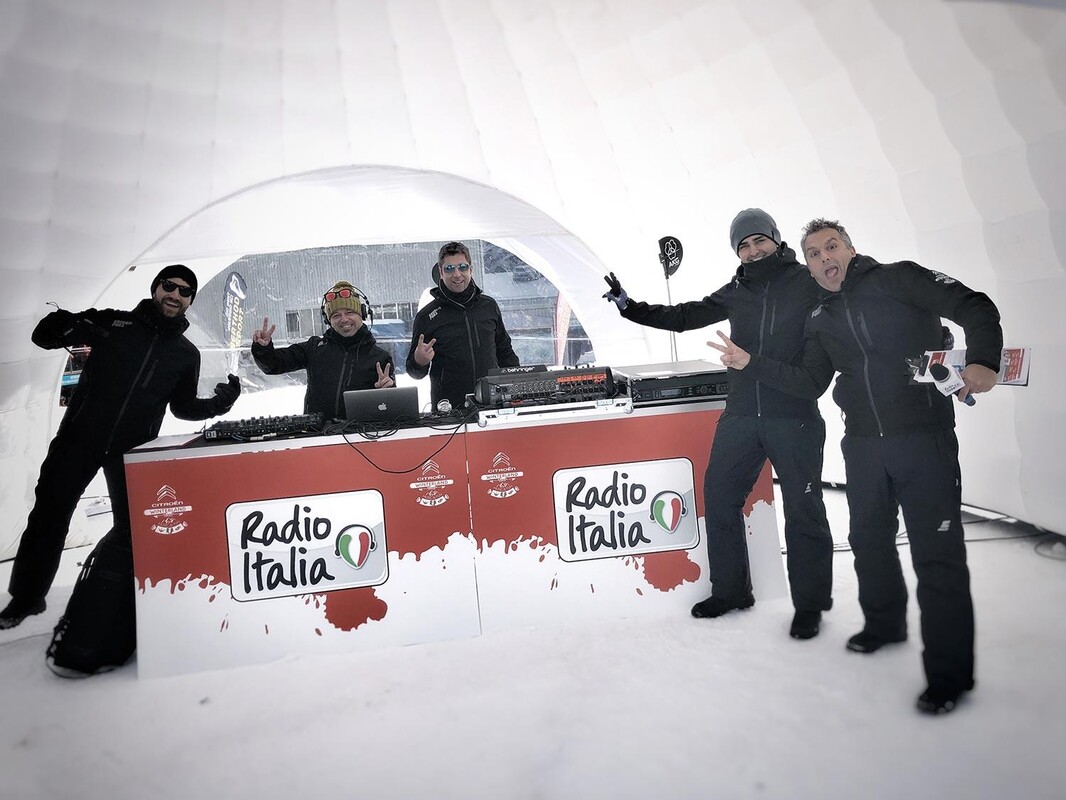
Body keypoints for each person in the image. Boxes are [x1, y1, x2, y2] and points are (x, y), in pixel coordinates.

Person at [710, 217, 1002, 714]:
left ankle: (950, 677)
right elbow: (808, 383)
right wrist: (749, 363)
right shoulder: (820, 316)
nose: (825, 258)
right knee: (868, 541)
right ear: (807, 266)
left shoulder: (898, 277)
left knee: (937, 556)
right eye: (814, 254)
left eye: (832, 247)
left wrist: (983, 360)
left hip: (924, 441)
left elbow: (974, 305)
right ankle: (885, 625)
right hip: (863, 446)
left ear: (849, 247)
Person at [602, 209, 834, 639]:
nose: (753, 250)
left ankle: (810, 606)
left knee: (804, 511)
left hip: (794, 417)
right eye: (743, 245)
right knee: (720, 498)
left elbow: (838, 329)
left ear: (776, 239)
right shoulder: (737, 290)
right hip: (742, 415)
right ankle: (731, 592)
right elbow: (683, 316)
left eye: (759, 240)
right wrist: (628, 307)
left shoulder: (807, 283)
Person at [0, 265, 240, 671]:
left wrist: (221, 402)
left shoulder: (186, 354)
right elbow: (44, 338)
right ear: (156, 288)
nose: (175, 294)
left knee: (134, 530)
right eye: (169, 286)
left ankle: (126, 603)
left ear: (189, 301)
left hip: (131, 451)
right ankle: (26, 598)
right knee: (49, 516)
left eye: (185, 291)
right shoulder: (113, 323)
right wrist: (59, 325)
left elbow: (183, 408)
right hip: (79, 440)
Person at [251, 281, 395, 419]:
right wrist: (263, 349)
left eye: (349, 312)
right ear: (328, 320)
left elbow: (390, 408)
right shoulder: (314, 348)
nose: (344, 319)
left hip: (361, 433)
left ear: (362, 314)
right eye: (336, 315)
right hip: (317, 433)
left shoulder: (380, 358)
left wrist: (387, 391)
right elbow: (273, 365)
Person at [406, 241, 520, 410]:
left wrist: (519, 386)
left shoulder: (489, 306)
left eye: (462, 267)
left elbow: (506, 353)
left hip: (491, 404)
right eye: (449, 269)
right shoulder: (427, 316)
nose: (457, 274)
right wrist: (419, 361)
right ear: (441, 272)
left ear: (470, 269)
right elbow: (414, 372)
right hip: (449, 410)